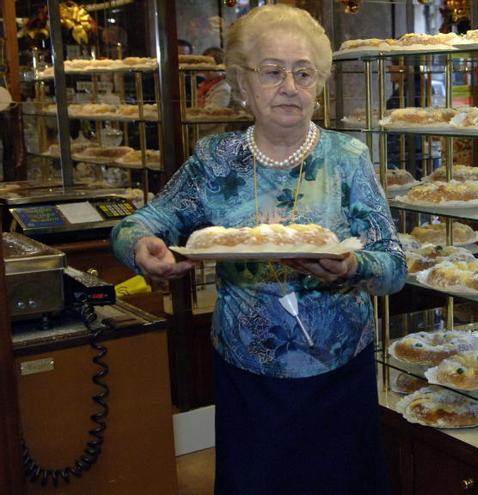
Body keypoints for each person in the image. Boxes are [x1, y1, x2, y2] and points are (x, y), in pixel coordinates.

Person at [111, 5, 405, 494]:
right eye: (272, 71)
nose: (289, 85)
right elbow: (141, 223)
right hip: (249, 376)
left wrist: (351, 265)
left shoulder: (346, 157)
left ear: (319, 84)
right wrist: (141, 247)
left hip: (337, 374)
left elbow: (393, 266)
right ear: (242, 84)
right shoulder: (216, 158)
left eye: (303, 72)